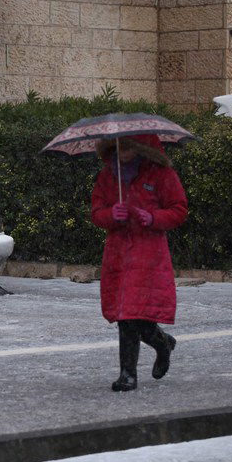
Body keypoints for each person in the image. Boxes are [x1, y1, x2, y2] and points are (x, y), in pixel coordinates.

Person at [90, 134, 188, 392]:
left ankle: (152, 353)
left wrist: (153, 217)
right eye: (119, 144)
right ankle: (131, 370)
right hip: (119, 254)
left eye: (129, 145)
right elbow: (96, 212)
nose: (123, 150)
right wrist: (110, 215)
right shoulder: (107, 175)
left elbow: (178, 209)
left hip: (148, 254)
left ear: (142, 147)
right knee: (126, 315)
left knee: (136, 315)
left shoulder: (161, 174)